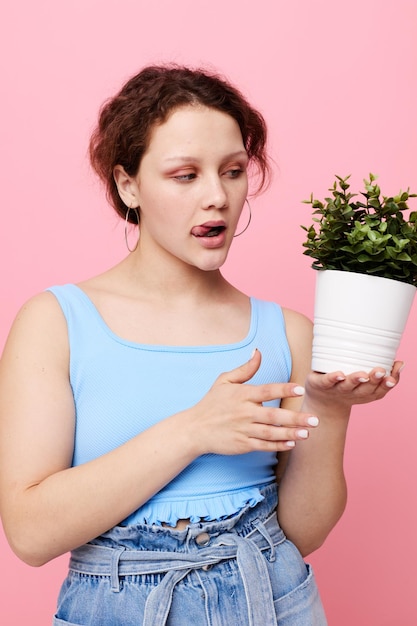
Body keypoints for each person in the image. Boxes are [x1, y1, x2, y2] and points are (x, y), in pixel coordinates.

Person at [0, 65, 402, 626]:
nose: (218, 197)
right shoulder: (57, 323)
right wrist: (192, 431)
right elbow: (29, 533)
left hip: (273, 599)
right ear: (127, 184)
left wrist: (330, 410)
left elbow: (302, 536)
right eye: (185, 175)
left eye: (233, 171)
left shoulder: (287, 333)